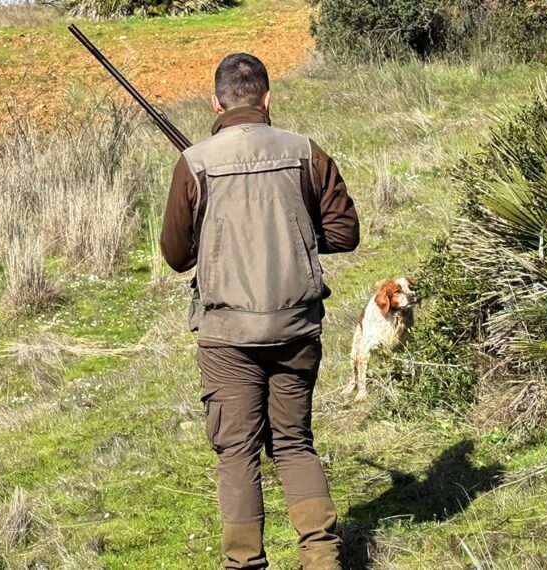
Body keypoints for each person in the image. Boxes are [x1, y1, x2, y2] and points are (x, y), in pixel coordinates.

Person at [160, 52, 360, 569]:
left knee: (237, 451)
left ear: (216, 102)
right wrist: (292, 237)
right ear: (268, 98)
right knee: (294, 442)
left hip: (227, 334)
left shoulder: (195, 162)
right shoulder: (306, 152)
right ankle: (322, 557)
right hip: (297, 327)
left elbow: (176, 256)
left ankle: (244, 564)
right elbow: (344, 233)